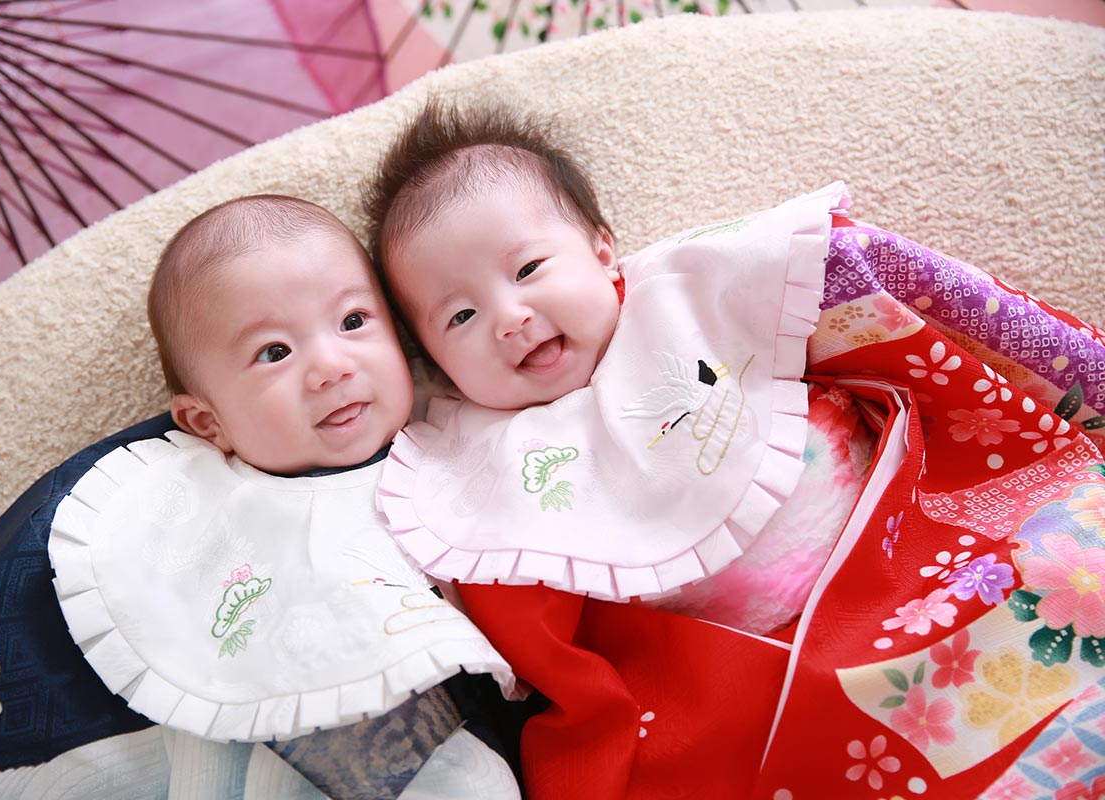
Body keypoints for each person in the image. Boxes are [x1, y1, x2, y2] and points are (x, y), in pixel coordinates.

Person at [361, 100, 870, 798]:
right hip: (732, 675)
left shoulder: (687, 293)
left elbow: (858, 298)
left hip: (892, 534)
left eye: (530, 267)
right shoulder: (492, 457)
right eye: (461, 315)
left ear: (603, 252)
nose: (509, 318)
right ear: (440, 367)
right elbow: (546, 649)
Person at [49, 194, 522, 800]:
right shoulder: (220, 502)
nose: (331, 366)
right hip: (305, 736)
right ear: (207, 422)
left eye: (353, 321)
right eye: (275, 352)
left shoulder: (455, 427)